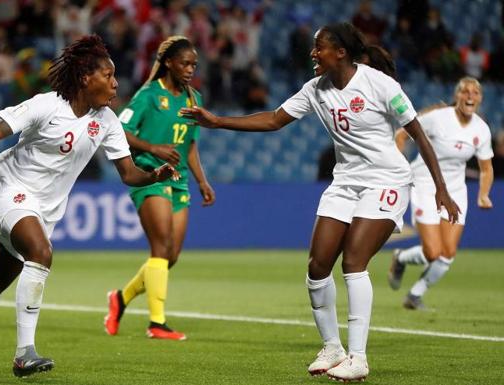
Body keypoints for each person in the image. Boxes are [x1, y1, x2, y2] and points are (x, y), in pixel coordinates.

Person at [181, 22, 459, 382]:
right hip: (345, 182)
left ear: (340, 52)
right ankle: (333, 347)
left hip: (387, 181)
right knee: (317, 265)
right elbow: (273, 120)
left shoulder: (380, 85)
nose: (313, 53)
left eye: (320, 47)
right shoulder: (315, 89)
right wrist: (217, 121)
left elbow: (418, 133)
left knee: (354, 262)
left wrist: (440, 188)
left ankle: (358, 357)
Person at [0, 35, 177, 378]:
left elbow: (128, 173)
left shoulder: (107, 121)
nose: (115, 83)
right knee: (41, 252)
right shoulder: (46, 105)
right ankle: (24, 354)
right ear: (85, 78)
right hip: (10, 190)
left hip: (44, 210)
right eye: (108, 76)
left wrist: (154, 175)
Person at [104, 36, 215, 341]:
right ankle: (157, 323)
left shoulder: (195, 99)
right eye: (185, 63)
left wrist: (202, 180)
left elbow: (189, 144)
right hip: (150, 174)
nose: (191, 69)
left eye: (194, 64)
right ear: (168, 63)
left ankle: (121, 299)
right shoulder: (149, 95)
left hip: (180, 180)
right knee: (160, 248)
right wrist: (152, 147)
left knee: (170, 256)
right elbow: (120, 131)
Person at [388, 77, 494, 310]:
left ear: (480, 99)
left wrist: (483, 194)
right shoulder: (437, 119)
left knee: (448, 253)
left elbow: (486, 168)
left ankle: (415, 296)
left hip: (455, 191)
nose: (470, 96)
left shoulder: (481, 129)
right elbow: (402, 133)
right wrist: (398, 163)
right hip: (425, 186)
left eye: (475, 93)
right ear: (457, 96)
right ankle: (401, 258)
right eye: (465, 91)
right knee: (433, 251)